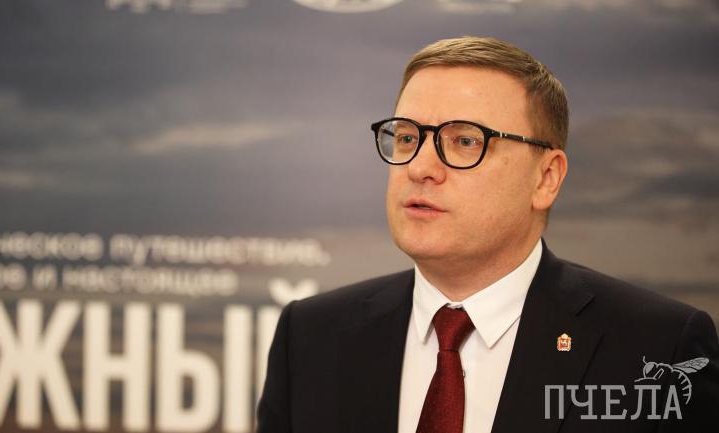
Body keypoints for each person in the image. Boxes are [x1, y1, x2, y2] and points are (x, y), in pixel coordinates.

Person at [256, 36, 719, 433]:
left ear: (546, 178)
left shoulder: (657, 346)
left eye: (465, 141)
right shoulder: (310, 337)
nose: (419, 167)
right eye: (407, 137)